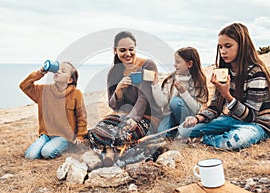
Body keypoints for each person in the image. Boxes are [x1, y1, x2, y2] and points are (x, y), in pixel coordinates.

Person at [181, 23, 270, 151]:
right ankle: (207, 136)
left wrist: (227, 96)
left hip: (257, 124)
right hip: (231, 119)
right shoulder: (223, 72)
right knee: (184, 130)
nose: (223, 51)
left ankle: (202, 139)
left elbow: (251, 116)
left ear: (242, 46)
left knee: (232, 142)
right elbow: (215, 108)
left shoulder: (256, 73)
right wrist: (197, 118)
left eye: (228, 46)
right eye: (220, 47)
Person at [88, 31, 163, 164]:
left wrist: (133, 119)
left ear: (135, 48)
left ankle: (110, 151)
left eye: (131, 49)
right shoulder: (114, 71)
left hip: (147, 117)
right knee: (95, 133)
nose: (127, 54)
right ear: (115, 51)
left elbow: (143, 98)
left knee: (122, 134)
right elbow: (113, 105)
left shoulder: (147, 65)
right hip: (122, 114)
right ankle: (113, 151)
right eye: (122, 50)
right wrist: (118, 90)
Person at [19, 61, 88, 159]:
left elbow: (81, 117)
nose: (58, 72)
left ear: (70, 80)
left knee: (46, 153)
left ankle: (67, 147)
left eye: (63, 71)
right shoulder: (43, 91)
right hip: (46, 134)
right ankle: (46, 146)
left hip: (64, 137)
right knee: (30, 156)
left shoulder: (76, 94)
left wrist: (80, 136)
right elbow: (24, 86)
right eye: (58, 69)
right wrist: (40, 73)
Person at [151, 47, 208, 137]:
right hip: (171, 114)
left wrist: (184, 92)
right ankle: (177, 131)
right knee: (161, 133)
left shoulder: (198, 81)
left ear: (189, 64)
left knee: (175, 102)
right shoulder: (170, 80)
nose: (174, 65)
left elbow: (196, 109)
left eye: (178, 62)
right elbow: (161, 102)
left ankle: (185, 129)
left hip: (188, 117)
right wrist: (155, 85)